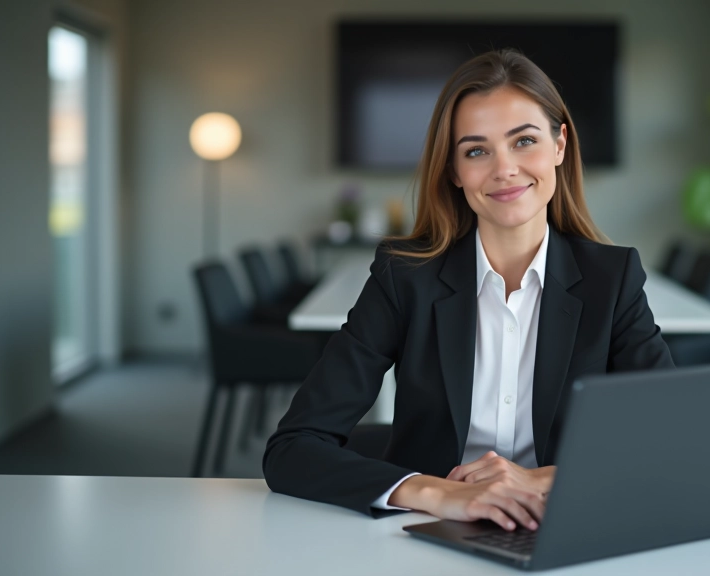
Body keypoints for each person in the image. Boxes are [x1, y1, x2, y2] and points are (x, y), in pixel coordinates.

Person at [263, 49, 674, 532]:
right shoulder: (404, 277)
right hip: (421, 533)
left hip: (564, 530)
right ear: (455, 171)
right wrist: (443, 495)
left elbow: (670, 441)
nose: (504, 169)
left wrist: (537, 480)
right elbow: (292, 448)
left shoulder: (613, 278)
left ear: (560, 145)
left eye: (524, 141)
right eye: (477, 150)